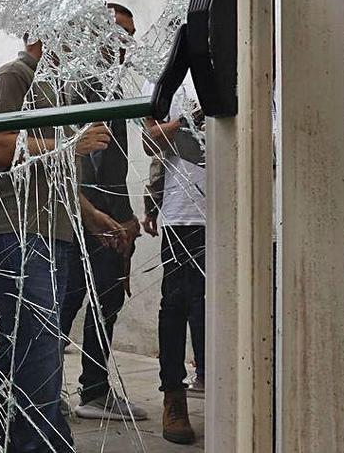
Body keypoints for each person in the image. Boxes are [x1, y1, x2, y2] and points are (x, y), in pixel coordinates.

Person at [0, 33, 117, 451]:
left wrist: (89, 216)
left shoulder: (57, 90)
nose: (85, 43)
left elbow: (50, 172)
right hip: (13, 233)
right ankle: (40, 444)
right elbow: (0, 147)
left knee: (26, 347)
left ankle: (16, 438)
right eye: (77, 32)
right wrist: (74, 142)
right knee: (39, 348)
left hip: (50, 235)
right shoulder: (14, 77)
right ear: (44, 34)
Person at [58, 3, 148, 421]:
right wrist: (103, 222)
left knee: (103, 304)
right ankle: (48, 390)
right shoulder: (83, 88)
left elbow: (114, 167)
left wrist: (127, 219)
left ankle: (89, 390)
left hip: (106, 220)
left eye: (129, 36)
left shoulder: (110, 89)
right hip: (87, 222)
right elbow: (80, 168)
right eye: (117, 35)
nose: (125, 45)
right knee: (68, 304)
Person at [141, 73, 206, 445]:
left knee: (218, 306)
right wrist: (186, 119)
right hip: (185, 214)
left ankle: (219, 383)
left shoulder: (249, 65)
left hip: (241, 206)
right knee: (178, 304)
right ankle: (173, 396)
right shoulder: (166, 83)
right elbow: (150, 143)